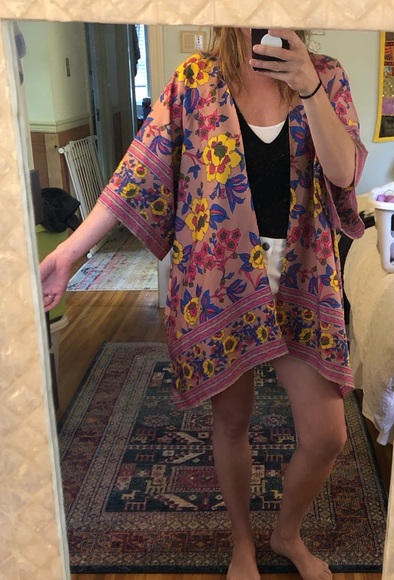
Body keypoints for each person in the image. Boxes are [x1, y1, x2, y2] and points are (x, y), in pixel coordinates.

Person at [40, 27, 367, 580]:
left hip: (303, 275)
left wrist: (309, 86)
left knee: (327, 435)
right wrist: (70, 253)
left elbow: (344, 173)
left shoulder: (326, 74)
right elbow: (136, 174)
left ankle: (287, 533)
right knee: (232, 421)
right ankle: (242, 542)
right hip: (217, 282)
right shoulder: (194, 80)